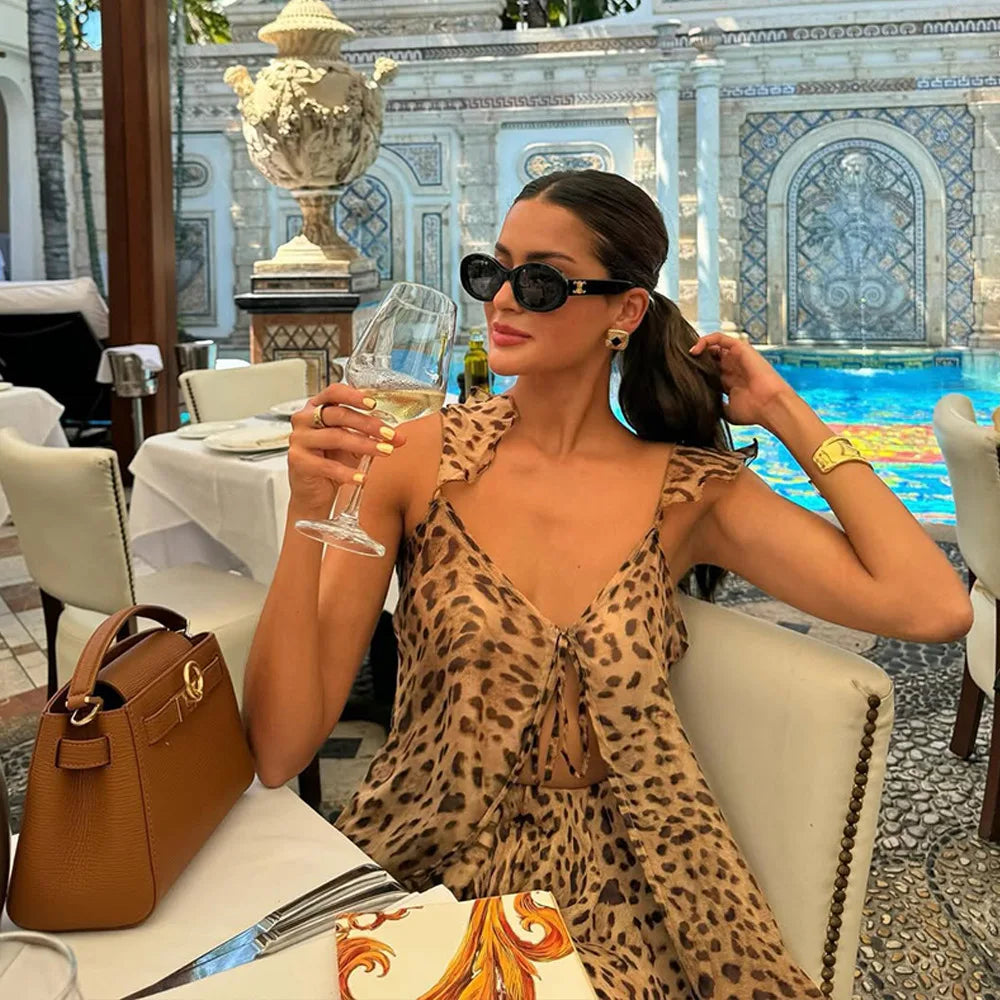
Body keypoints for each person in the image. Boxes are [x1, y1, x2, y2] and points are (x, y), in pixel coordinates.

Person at [244, 170, 972, 998]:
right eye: (493, 271)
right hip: (429, 860)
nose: (504, 299)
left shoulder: (690, 491)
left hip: (642, 881)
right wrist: (308, 514)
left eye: (541, 280)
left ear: (624, 312)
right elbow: (281, 749)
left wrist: (783, 409)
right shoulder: (417, 459)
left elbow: (934, 604)